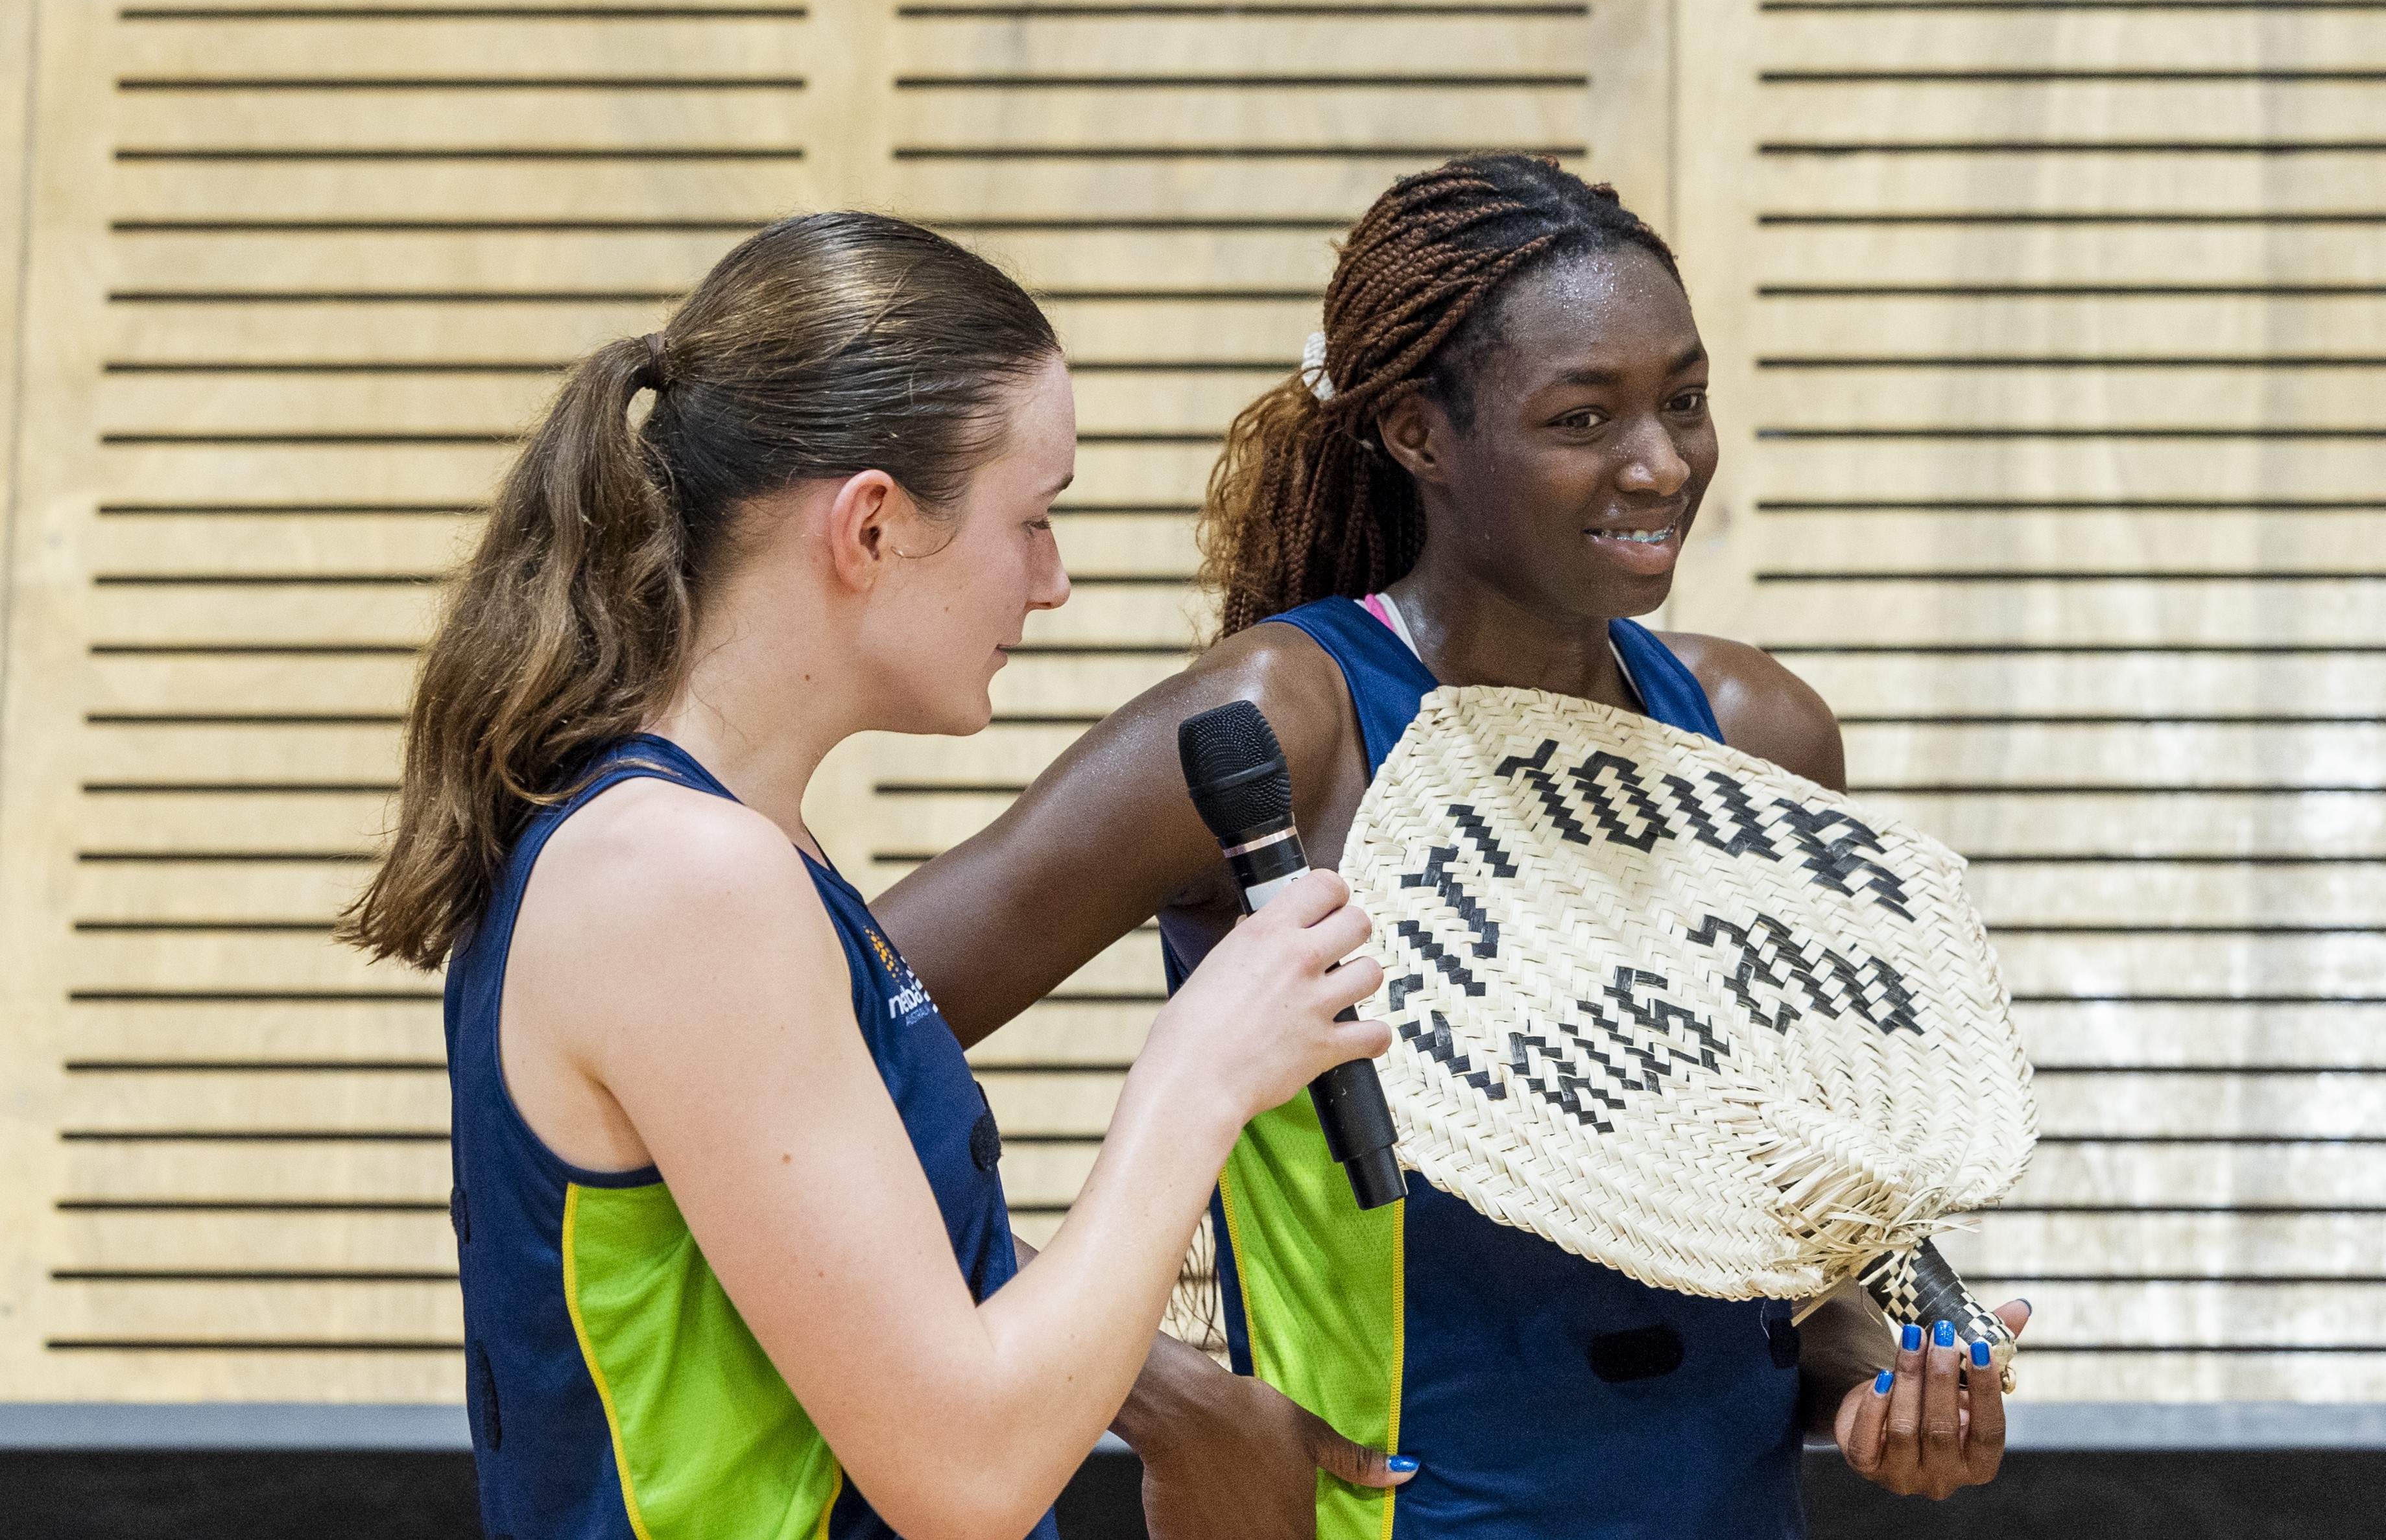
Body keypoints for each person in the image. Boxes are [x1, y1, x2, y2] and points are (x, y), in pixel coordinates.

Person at [877, 156, 2031, 1537]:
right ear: (1421, 433)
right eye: (1582, 416)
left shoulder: (1756, 737)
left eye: (1683, 400)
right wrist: (1146, 1386)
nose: (1659, 461)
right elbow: (808, 1057)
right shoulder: (1283, 727)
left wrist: (1877, 1367)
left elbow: (1776, 1253)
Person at [339, 212, 1392, 1540]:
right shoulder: (677, 877)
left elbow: (846, 1317)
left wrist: (1162, 1391)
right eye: (1034, 519)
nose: (1054, 582)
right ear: (874, 527)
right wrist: (1200, 1071)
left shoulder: (727, 849)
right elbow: (965, 1477)